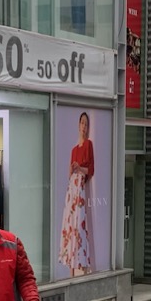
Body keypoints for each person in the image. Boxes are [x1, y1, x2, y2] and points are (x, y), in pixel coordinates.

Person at [59, 111, 95, 276]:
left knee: (79, 221)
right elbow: (69, 173)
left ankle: (80, 261)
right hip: (73, 186)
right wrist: (73, 169)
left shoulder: (88, 145)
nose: (84, 127)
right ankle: (70, 261)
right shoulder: (74, 150)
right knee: (70, 222)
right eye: (82, 123)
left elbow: (90, 170)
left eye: (86, 124)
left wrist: (79, 168)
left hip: (80, 186)